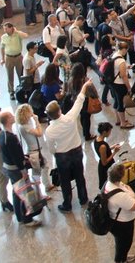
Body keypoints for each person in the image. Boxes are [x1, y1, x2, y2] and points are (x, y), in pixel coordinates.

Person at [44, 80, 93, 213]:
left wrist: (56, 153)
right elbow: (79, 100)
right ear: (59, 110)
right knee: (79, 176)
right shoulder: (70, 118)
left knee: (65, 180)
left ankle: (67, 203)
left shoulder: (49, 130)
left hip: (62, 155)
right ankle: (83, 198)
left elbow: (50, 147)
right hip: (76, 150)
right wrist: (85, 85)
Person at [0, 112, 41, 226]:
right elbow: (15, 156)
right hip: (16, 170)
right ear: (7, 120)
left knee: (16, 192)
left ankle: (19, 215)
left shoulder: (2, 135)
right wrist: (23, 171)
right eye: (11, 116)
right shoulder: (11, 138)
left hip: (9, 168)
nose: (13, 117)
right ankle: (27, 218)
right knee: (24, 193)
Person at [103, 163, 135, 263]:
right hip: (122, 224)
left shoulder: (108, 183)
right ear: (121, 176)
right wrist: (131, 191)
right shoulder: (119, 195)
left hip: (113, 219)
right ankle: (121, 260)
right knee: (124, 243)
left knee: (121, 243)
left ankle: (123, 256)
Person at [15, 103, 54, 193]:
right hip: (34, 152)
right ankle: (38, 191)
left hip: (34, 151)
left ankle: (46, 186)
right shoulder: (25, 127)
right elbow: (39, 133)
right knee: (37, 172)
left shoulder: (23, 125)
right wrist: (37, 121)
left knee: (44, 166)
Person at [0, 22, 27, 101]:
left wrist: (17, 31)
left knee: (20, 74)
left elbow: (26, 35)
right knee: (10, 75)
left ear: (11, 28)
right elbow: (2, 48)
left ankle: (22, 89)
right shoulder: (3, 37)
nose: (5, 30)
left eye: (6, 28)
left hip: (18, 57)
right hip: (8, 57)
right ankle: (11, 91)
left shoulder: (17, 35)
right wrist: (2, 58)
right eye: (4, 29)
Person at [95, 122, 120, 189]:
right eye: (109, 131)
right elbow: (105, 162)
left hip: (103, 167)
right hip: (106, 168)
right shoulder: (102, 146)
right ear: (104, 132)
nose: (110, 133)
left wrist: (112, 147)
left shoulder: (97, 139)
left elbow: (104, 151)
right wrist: (114, 152)